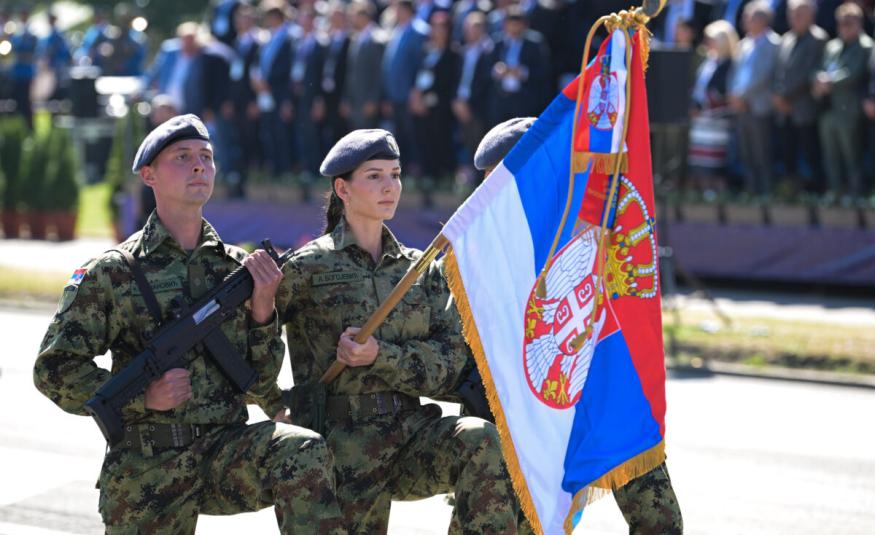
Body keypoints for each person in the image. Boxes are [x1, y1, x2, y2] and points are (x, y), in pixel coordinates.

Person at [33, 114, 345, 534]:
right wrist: (143, 396)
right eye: (182, 157)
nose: (199, 166)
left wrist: (263, 312)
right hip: (148, 464)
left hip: (224, 452)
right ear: (149, 175)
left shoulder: (238, 269)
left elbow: (258, 383)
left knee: (303, 450)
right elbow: (53, 370)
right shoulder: (114, 272)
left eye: (206, 157)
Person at [274, 129, 518, 533]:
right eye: (374, 176)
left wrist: (380, 357)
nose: (390, 186)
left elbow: (450, 363)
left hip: (410, 436)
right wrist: (274, 404)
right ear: (342, 189)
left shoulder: (418, 270)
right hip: (339, 446)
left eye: (396, 174)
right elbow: (251, 340)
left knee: (479, 440)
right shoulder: (305, 268)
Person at [472, 118, 684, 535]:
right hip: (527, 420)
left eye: (506, 181)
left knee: (659, 520)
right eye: (490, 184)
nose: (494, 195)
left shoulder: (594, 232)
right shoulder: (478, 257)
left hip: (602, 397)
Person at [813, 2, 873, 196]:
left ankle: (856, 195)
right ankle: (836, 192)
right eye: (841, 23)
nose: (844, 27)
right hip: (829, 109)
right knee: (830, 156)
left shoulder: (866, 46)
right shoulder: (832, 46)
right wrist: (817, 79)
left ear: (859, 23)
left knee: (852, 156)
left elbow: (853, 73)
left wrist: (828, 82)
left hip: (850, 110)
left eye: (849, 23)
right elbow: (820, 68)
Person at [771, 0, 827, 193]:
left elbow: (810, 73)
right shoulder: (786, 39)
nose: (795, 18)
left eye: (800, 14)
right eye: (792, 14)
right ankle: (792, 192)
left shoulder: (818, 39)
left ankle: (816, 193)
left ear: (811, 15)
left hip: (805, 108)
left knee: (811, 153)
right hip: (784, 109)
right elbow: (779, 71)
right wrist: (778, 95)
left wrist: (786, 97)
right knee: (788, 153)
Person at [727, 0, 780, 196]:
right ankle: (751, 191)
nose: (744, 21)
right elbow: (734, 73)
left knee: (762, 152)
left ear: (762, 20)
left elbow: (765, 75)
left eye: (748, 17)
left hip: (759, 106)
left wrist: (743, 96)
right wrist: (733, 95)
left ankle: (766, 192)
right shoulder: (744, 44)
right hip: (741, 107)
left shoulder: (774, 44)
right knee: (746, 152)